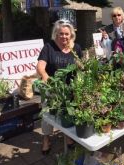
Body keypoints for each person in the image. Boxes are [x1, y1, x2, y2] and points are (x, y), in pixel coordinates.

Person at [37, 19, 83, 155]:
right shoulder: (49, 47)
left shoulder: (77, 48)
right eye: (61, 33)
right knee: (47, 115)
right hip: (52, 88)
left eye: (67, 34)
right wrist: (46, 77)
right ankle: (46, 138)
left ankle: (68, 136)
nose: (64, 36)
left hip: (70, 89)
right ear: (56, 34)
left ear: (71, 35)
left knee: (67, 113)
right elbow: (40, 66)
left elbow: (80, 66)